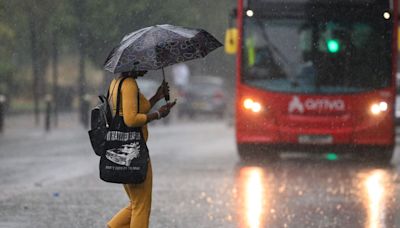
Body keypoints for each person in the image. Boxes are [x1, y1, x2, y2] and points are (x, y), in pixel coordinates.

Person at [106, 70, 176, 228]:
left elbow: (132, 110)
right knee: (141, 206)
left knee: (136, 204)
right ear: (133, 64)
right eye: (141, 64)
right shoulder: (129, 84)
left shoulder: (117, 83)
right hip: (134, 153)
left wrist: (157, 97)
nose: (146, 69)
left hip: (124, 150)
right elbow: (131, 119)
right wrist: (157, 114)